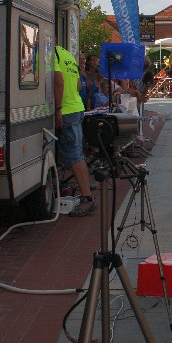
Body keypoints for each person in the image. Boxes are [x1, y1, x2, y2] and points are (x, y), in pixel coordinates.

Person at [54, 46, 96, 217]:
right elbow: (79, 85)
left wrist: (58, 108)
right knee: (78, 154)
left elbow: (58, 80)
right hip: (77, 108)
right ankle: (87, 193)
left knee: (74, 156)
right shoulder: (67, 55)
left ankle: (87, 198)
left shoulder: (53, 53)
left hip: (66, 111)